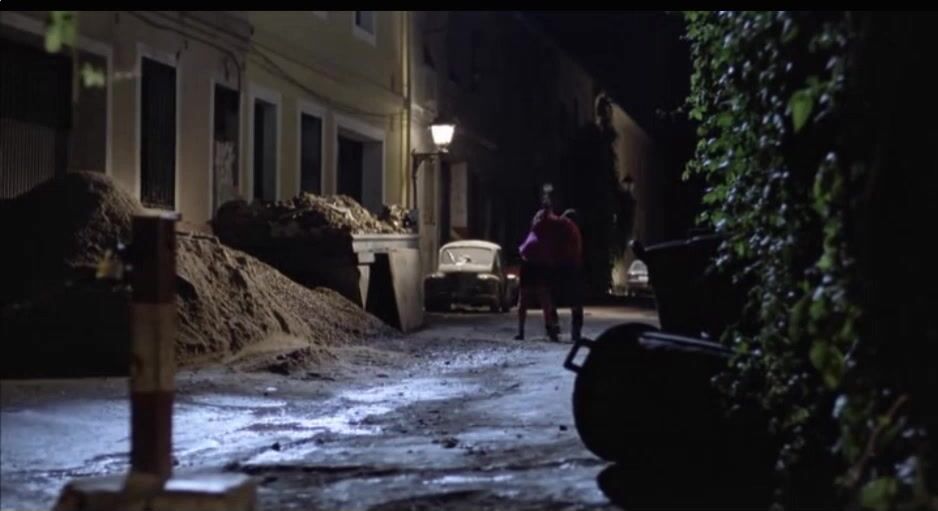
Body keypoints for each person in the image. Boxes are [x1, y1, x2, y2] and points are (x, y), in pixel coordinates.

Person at [515, 206, 560, 341]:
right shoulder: (548, 230)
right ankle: (549, 328)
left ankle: (523, 330)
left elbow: (524, 250)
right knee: (543, 299)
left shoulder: (537, 229)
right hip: (538, 266)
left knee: (527, 300)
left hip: (532, 265)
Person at [555, 209, 585, 341]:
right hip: (573, 266)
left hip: (559, 266)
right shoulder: (575, 231)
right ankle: (576, 331)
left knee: (552, 297)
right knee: (576, 301)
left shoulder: (560, 230)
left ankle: (553, 326)